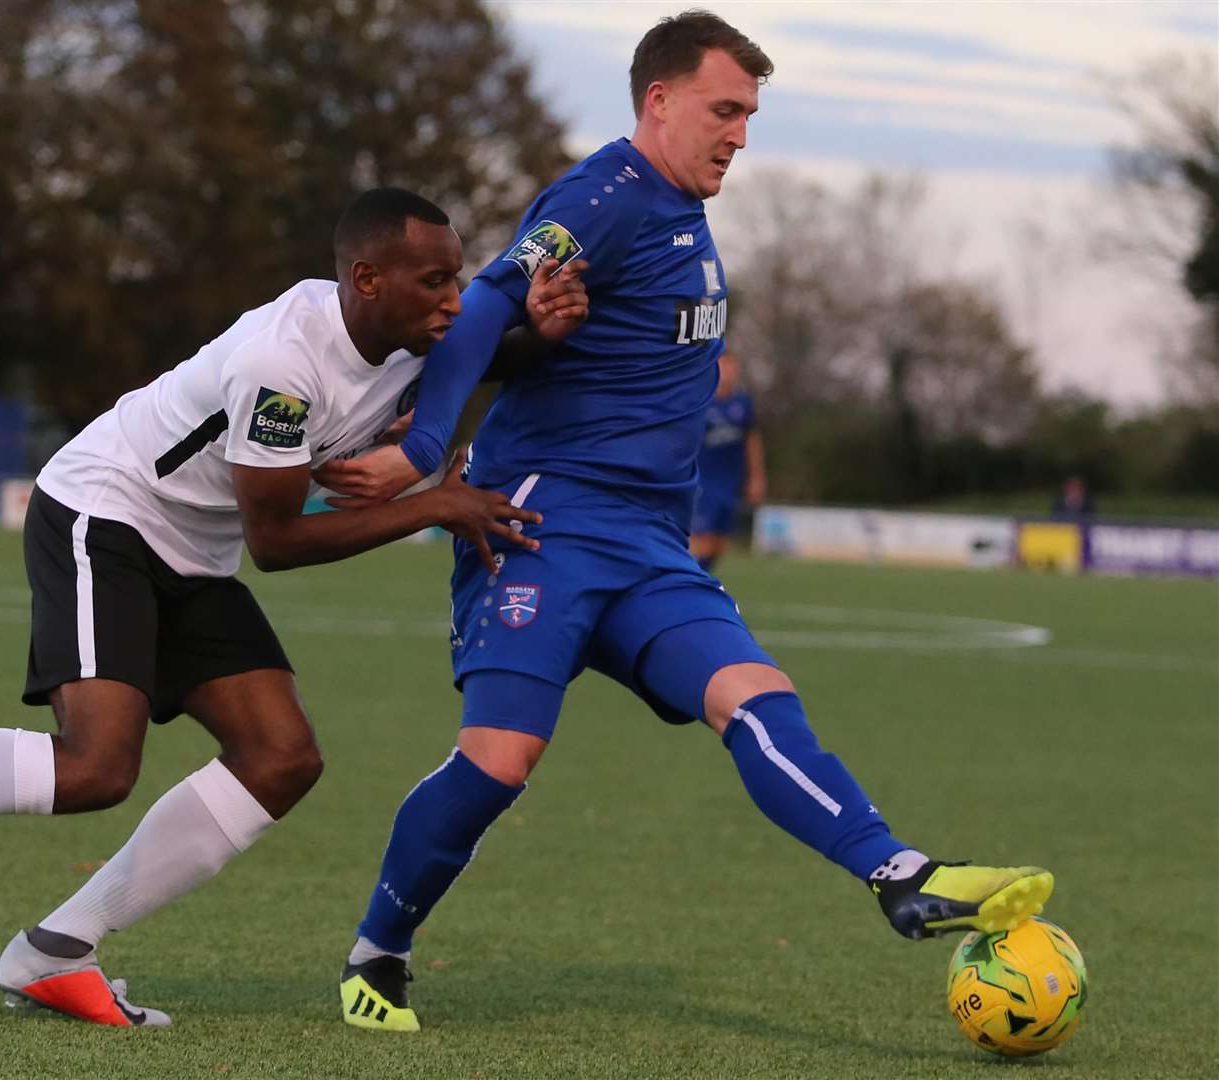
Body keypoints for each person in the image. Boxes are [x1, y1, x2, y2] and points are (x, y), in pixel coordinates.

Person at [315, 12, 1055, 1033]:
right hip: (543, 525)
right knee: (501, 760)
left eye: (749, 115)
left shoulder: (680, 206)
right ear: (657, 100)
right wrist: (417, 446)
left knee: (756, 697)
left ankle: (901, 873)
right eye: (723, 109)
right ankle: (378, 953)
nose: (739, 135)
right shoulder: (603, 195)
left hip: (648, 544)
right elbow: (486, 300)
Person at [0, 187, 589, 1027]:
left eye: (457, 277)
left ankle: (58, 949)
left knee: (280, 758)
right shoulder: (280, 364)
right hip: (106, 514)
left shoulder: (406, 333)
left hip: (190, 548)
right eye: (433, 281)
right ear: (365, 280)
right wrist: (434, 505)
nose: (452, 300)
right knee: (96, 767)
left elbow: (481, 353)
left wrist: (539, 334)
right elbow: (277, 545)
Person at [689, 349, 765, 572]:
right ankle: (690, 586)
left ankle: (701, 580)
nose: (727, 372)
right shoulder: (700, 401)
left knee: (720, 543)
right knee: (700, 540)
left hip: (731, 482)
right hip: (702, 481)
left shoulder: (742, 403)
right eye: (722, 366)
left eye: (731, 366)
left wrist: (756, 477)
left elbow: (752, 440)